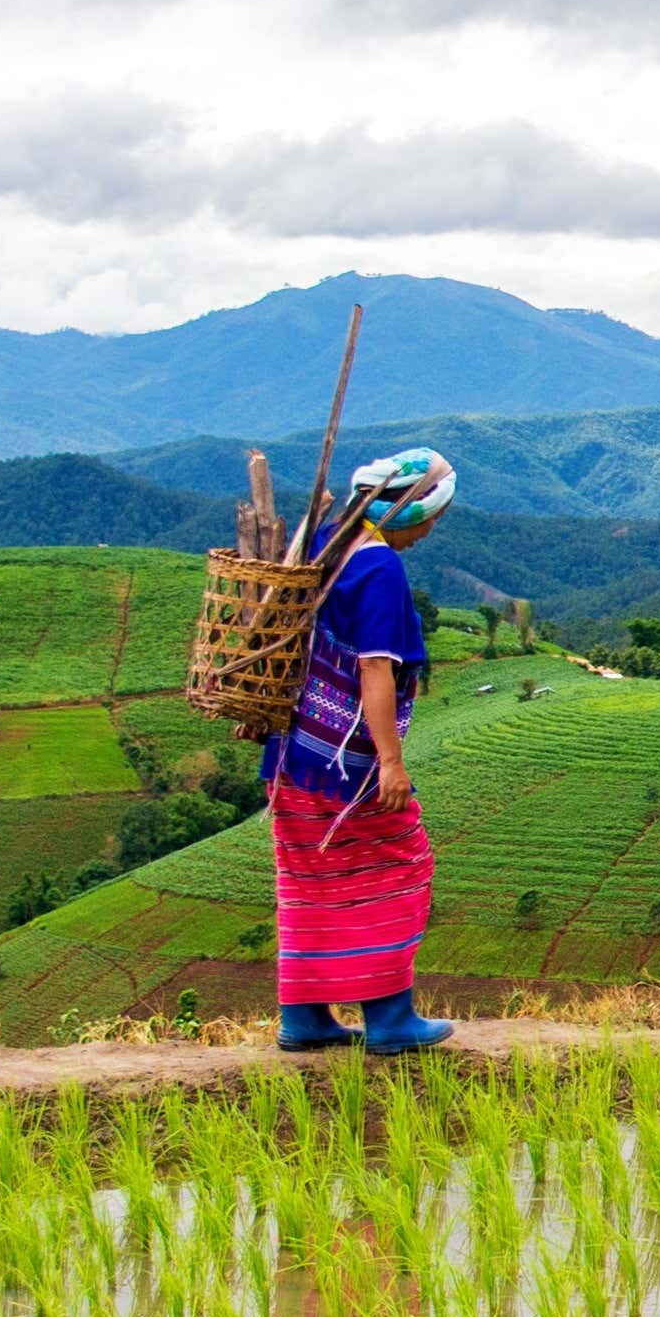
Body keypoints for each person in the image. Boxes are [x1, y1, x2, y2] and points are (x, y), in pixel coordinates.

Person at [272, 448, 459, 1054]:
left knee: (308, 876)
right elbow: (375, 666)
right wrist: (390, 760)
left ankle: (303, 1017)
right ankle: (389, 1016)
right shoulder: (378, 568)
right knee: (397, 867)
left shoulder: (326, 543)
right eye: (433, 517)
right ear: (408, 513)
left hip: (290, 749)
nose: (432, 530)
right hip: (345, 759)